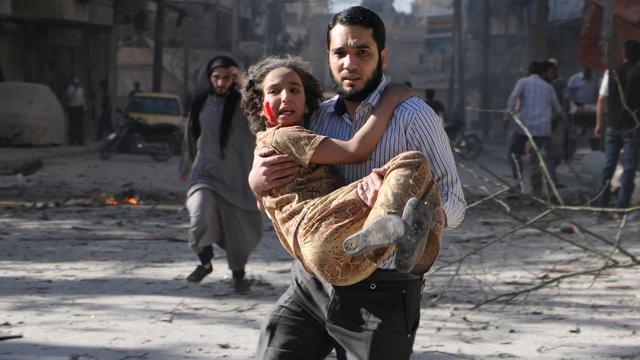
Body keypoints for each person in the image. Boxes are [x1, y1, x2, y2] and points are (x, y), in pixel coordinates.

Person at [249, 6, 465, 359]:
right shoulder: (314, 118)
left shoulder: (413, 115)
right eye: (340, 53)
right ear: (329, 58)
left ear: (382, 55)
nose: (350, 62)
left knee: (409, 170)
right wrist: (256, 183)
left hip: (381, 294)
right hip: (312, 283)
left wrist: (417, 214)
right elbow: (286, 196)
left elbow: (456, 202)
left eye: (362, 51)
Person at [241, 55, 440, 286]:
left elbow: (263, 204)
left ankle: (391, 237)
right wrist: (391, 99)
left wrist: (255, 186)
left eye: (294, 90)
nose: (285, 97)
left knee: (403, 202)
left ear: (306, 104)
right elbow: (356, 151)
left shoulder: (263, 145)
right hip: (318, 228)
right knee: (413, 162)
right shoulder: (283, 135)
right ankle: (404, 234)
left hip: (333, 262)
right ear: (260, 109)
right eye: (274, 91)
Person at [179, 55, 263, 283]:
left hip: (237, 178)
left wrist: (244, 81)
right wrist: (186, 166)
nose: (221, 83)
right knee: (199, 213)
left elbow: (263, 109)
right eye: (216, 77)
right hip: (204, 174)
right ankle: (205, 262)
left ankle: (238, 271)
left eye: (227, 78)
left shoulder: (244, 104)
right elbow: (191, 135)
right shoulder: (200, 102)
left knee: (239, 234)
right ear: (209, 78)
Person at [594, 40, 640, 215]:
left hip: (612, 126)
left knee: (608, 165)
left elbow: (601, 99)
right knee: (629, 167)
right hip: (632, 126)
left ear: (624, 55)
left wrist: (599, 123)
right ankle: (621, 208)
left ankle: (602, 206)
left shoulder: (610, 72)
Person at [504, 61, 562, 196]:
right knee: (544, 159)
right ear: (542, 73)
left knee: (513, 153)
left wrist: (506, 117)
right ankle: (550, 190)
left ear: (529, 70)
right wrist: (562, 120)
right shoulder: (548, 87)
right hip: (543, 130)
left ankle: (518, 181)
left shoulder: (523, 82)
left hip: (524, 128)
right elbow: (557, 109)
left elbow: (513, 98)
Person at [567, 66, 600, 150]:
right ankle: (570, 154)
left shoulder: (595, 80)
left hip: (591, 110)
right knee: (574, 133)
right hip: (577, 110)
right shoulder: (574, 79)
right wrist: (574, 107)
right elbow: (568, 96)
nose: (588, 70)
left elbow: (598, 95)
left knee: (593, 134)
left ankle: (595, 152)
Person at [66, 76, 86, 146]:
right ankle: (72, 141)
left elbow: (83, 99)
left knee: (80, 125)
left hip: (80, 107)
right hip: (73, 108)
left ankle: (80, 141)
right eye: (75, 83)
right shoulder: (70, 89)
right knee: (73, 126)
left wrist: (84, 108)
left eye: (78, 83)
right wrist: (75, 90)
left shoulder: (81, 89)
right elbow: (69, 98)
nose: (77, 84)